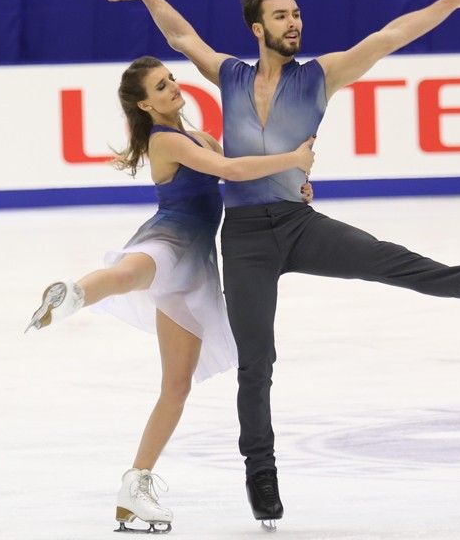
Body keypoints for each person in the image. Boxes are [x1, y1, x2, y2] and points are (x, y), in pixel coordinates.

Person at [107, 0, 460, 528]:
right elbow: (182, 36)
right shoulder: (230, 76)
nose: (295, 23)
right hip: (243, 239)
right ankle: (261, 474)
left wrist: (451, 2)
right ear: (258, 28)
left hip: (296, 222)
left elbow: (388, 37)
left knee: (388, 260)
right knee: (256, 361)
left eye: (297, 14)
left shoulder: (320, 77)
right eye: (282, 16)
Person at [25, 55, 316, 533]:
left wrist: (291, 185)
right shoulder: (165, 141)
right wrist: (293, 158)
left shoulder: (196, 136)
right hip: (172, 237)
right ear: (145, 104)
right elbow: (228, 168)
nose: (172, 87)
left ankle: (134, 486)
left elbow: (242, 176)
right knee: (134, 270)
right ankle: (74, 294)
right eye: (160, 87)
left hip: (198, 266)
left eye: (170, 79)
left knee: (175, 388)